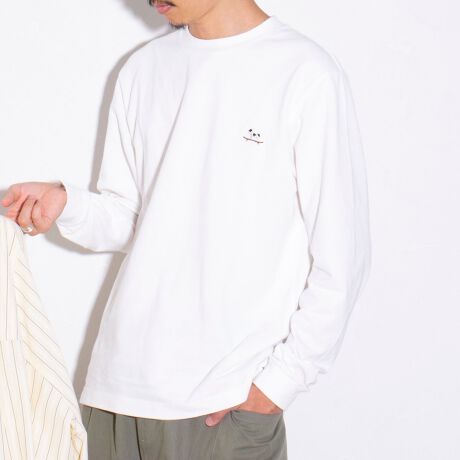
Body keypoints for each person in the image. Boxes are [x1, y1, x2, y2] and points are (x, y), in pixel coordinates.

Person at [0, 0, 372, 458]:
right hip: (114, 392)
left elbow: (343, 257)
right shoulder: (143, 69)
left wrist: (280, 384)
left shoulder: (306, 73)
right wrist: (68, 203)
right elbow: (132, 219)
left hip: (222, 403)